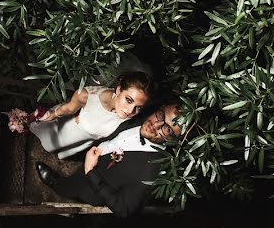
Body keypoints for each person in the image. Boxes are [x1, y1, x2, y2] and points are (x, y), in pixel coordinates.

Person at [35, 103, 184, 218]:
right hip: (96, 154)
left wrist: (91, 171)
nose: (156, 125)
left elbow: (123, 209)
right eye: (160, 115)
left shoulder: (151, 174)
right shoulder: (143, 114)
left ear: (175, 141)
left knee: (71, 186)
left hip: (92, 186)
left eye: (168, 130)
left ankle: (57, 184)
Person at [30, 71, 151, 159]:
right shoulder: (86, 96)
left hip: (86, 141)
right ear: (119, 90)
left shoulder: (131, 119)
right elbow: (67, 109)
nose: (130, 111)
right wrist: (51, 116)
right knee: (49, 143)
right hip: (71, 130)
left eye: (138, 107)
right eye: (129, 100)